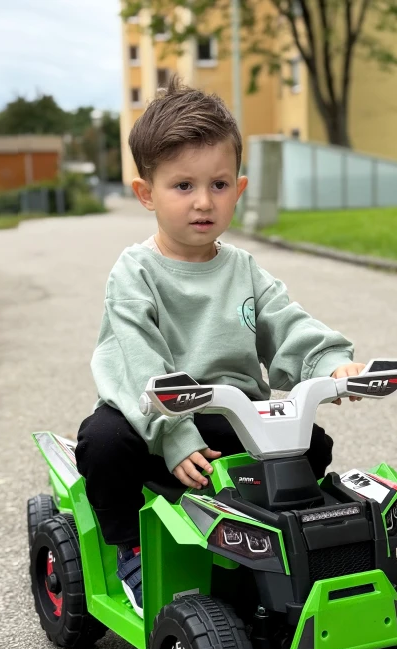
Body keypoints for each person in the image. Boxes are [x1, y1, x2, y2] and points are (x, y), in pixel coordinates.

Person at [75, 76, 365, 619]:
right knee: (103, 442)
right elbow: (139, 359)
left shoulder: (244, 270)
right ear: (147, 194)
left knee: (310, 448)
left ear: (239, 187)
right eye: (182, 186)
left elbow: (288, 324)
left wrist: (329, 363)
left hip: (229, 413)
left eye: (219, 185)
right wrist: (173, 433)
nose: (203, 202)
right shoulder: (135, 272)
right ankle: (130, 550)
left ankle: (282, 549)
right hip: (153, 416)